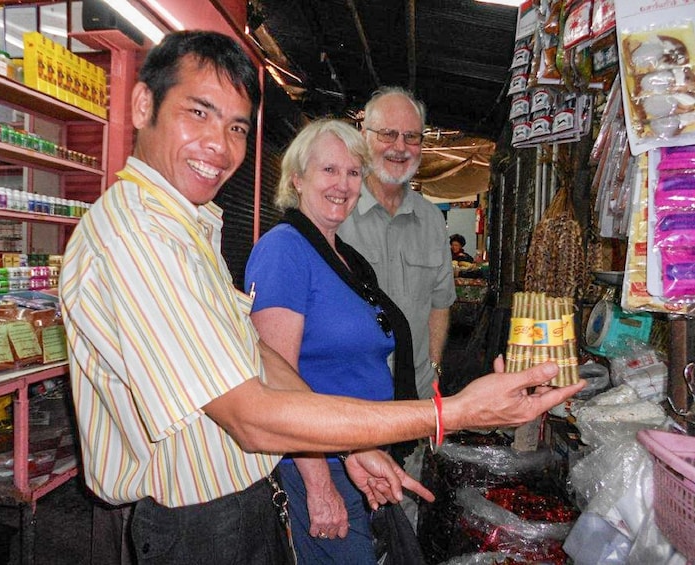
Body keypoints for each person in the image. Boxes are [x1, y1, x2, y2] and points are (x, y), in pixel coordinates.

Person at [59, 30, 586, 565]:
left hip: (240, 504)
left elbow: (258, 356)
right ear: (144, 104)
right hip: (197, 523)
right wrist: (453, 413)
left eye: (236, 126)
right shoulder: (142, 239)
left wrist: (354, 444)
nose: (219, 144)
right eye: (198, 113)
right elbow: (254, 416)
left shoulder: (188, 229)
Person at [245, 119, 420, 563]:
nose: (342, 184)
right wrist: (319, 485)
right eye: (328, 170)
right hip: (318, 469)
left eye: (353, 172)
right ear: (297, 179)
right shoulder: (284, 250)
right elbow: (276, 384)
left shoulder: (344, 257)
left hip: (358, 457)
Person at [338, 87, 455, 400]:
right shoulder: (335, 211)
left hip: (412, 398)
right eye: (388, 134)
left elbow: (439, 304)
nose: (400, 147)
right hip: (346, 400)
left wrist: (434, 368)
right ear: (364, 137)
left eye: (412, 137)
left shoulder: (432, 220)